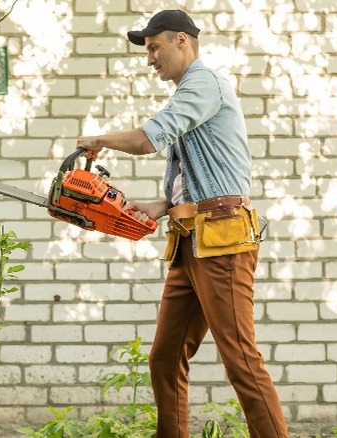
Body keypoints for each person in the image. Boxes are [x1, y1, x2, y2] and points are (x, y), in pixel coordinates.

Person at [76, 9, 289, 438]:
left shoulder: (204, 84)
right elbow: (201, 177)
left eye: (154, 47)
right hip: (190, 239)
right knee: (166, 357)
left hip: (222, 239)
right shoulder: (189, 93)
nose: (149, 58)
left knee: (241, 360)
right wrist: (162, 205)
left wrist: (98, 139)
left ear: (181, 42)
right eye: (147, 50)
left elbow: (147, 140)